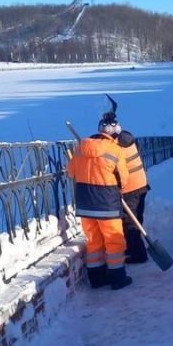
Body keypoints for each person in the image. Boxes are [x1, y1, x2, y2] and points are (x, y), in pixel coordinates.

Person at [66, 114, 133, 291]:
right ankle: (118, 278)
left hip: (85, 204)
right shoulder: (115, 149)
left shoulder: (81, 148)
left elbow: (71, 173)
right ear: (114, 134)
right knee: (114, 241)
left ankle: (96, 279)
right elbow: (123, 179)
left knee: (94, 242)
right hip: (107, 203)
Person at [116, 129, 150, 264]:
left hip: (130, 188)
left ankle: (138, 254)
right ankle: (132, 247)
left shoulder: (116, 147)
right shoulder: (127, 140)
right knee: (136, 219)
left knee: (130, 223)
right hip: (141, 185)